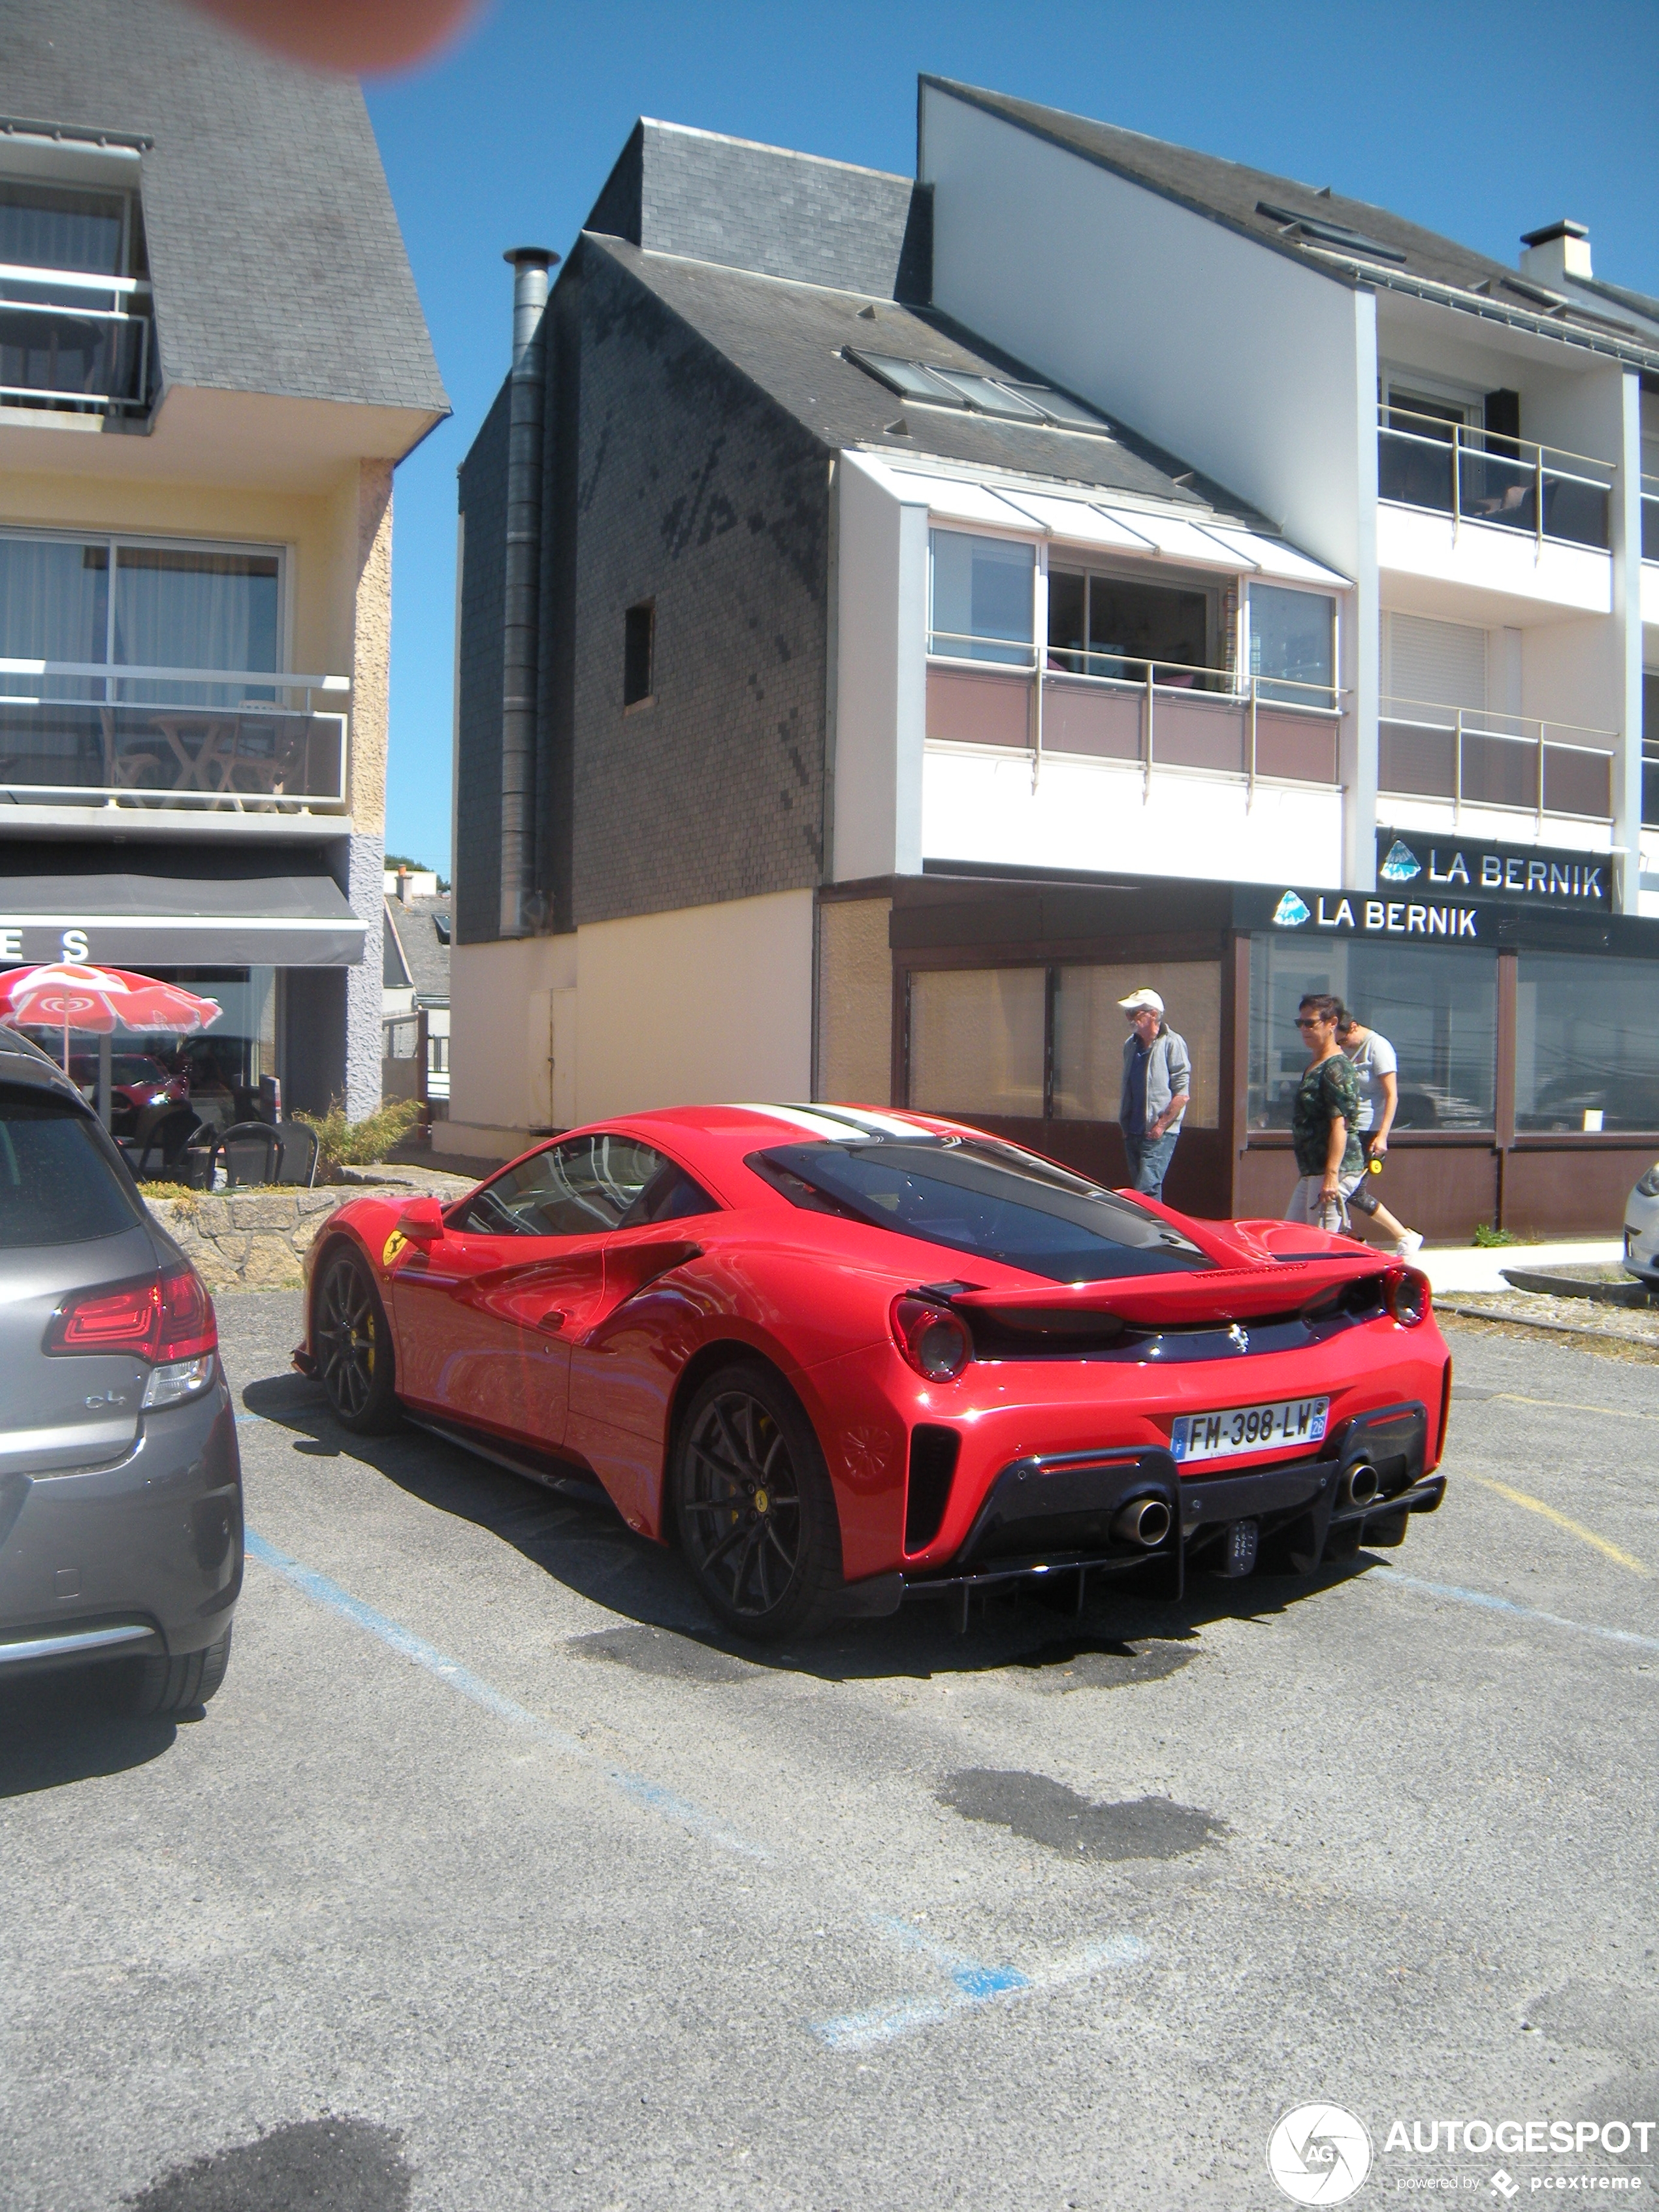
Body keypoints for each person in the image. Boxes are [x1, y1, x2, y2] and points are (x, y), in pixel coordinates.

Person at [1338, 1008, 1425, 1259]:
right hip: (1349, 1127)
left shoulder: (1378, 1047)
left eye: (1344, 1040)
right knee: (1343, 1189)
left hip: (1369, 1129)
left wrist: (1383, 1136)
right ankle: (1349, 1240)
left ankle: (1404, 1236)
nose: (1342, 1046)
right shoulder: (1344, 1049)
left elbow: (1391, 1095)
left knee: (1351, 1190)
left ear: (1353, 1027)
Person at [1285, 993, 1364, 1234]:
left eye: (1311, 1023)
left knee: (1318, 1244)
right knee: (1290, 1237)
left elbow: (1340, 1125)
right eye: (1301, 1023)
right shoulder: (1315, 1064)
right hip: (1312, 1170)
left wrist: (1331, 1177)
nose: (1304, 1029)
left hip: (1332, 1172)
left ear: (1332, 1024)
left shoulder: (1336, 1067)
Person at [1118, 987, 1191, 1201]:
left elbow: (1182, 1093)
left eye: (1135, 1013)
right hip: (1133, 1131)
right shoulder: (1130, 1046)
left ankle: (1147, 1231)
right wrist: (1125, 1126)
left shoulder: (1172, 1042)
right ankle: (1159, 1231)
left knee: (1145, 1192)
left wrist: (1160, 1127)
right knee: (1149, 1192)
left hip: (1159, 1132)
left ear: (1154, 1015)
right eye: (1128, 1013)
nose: (1129, 1018)